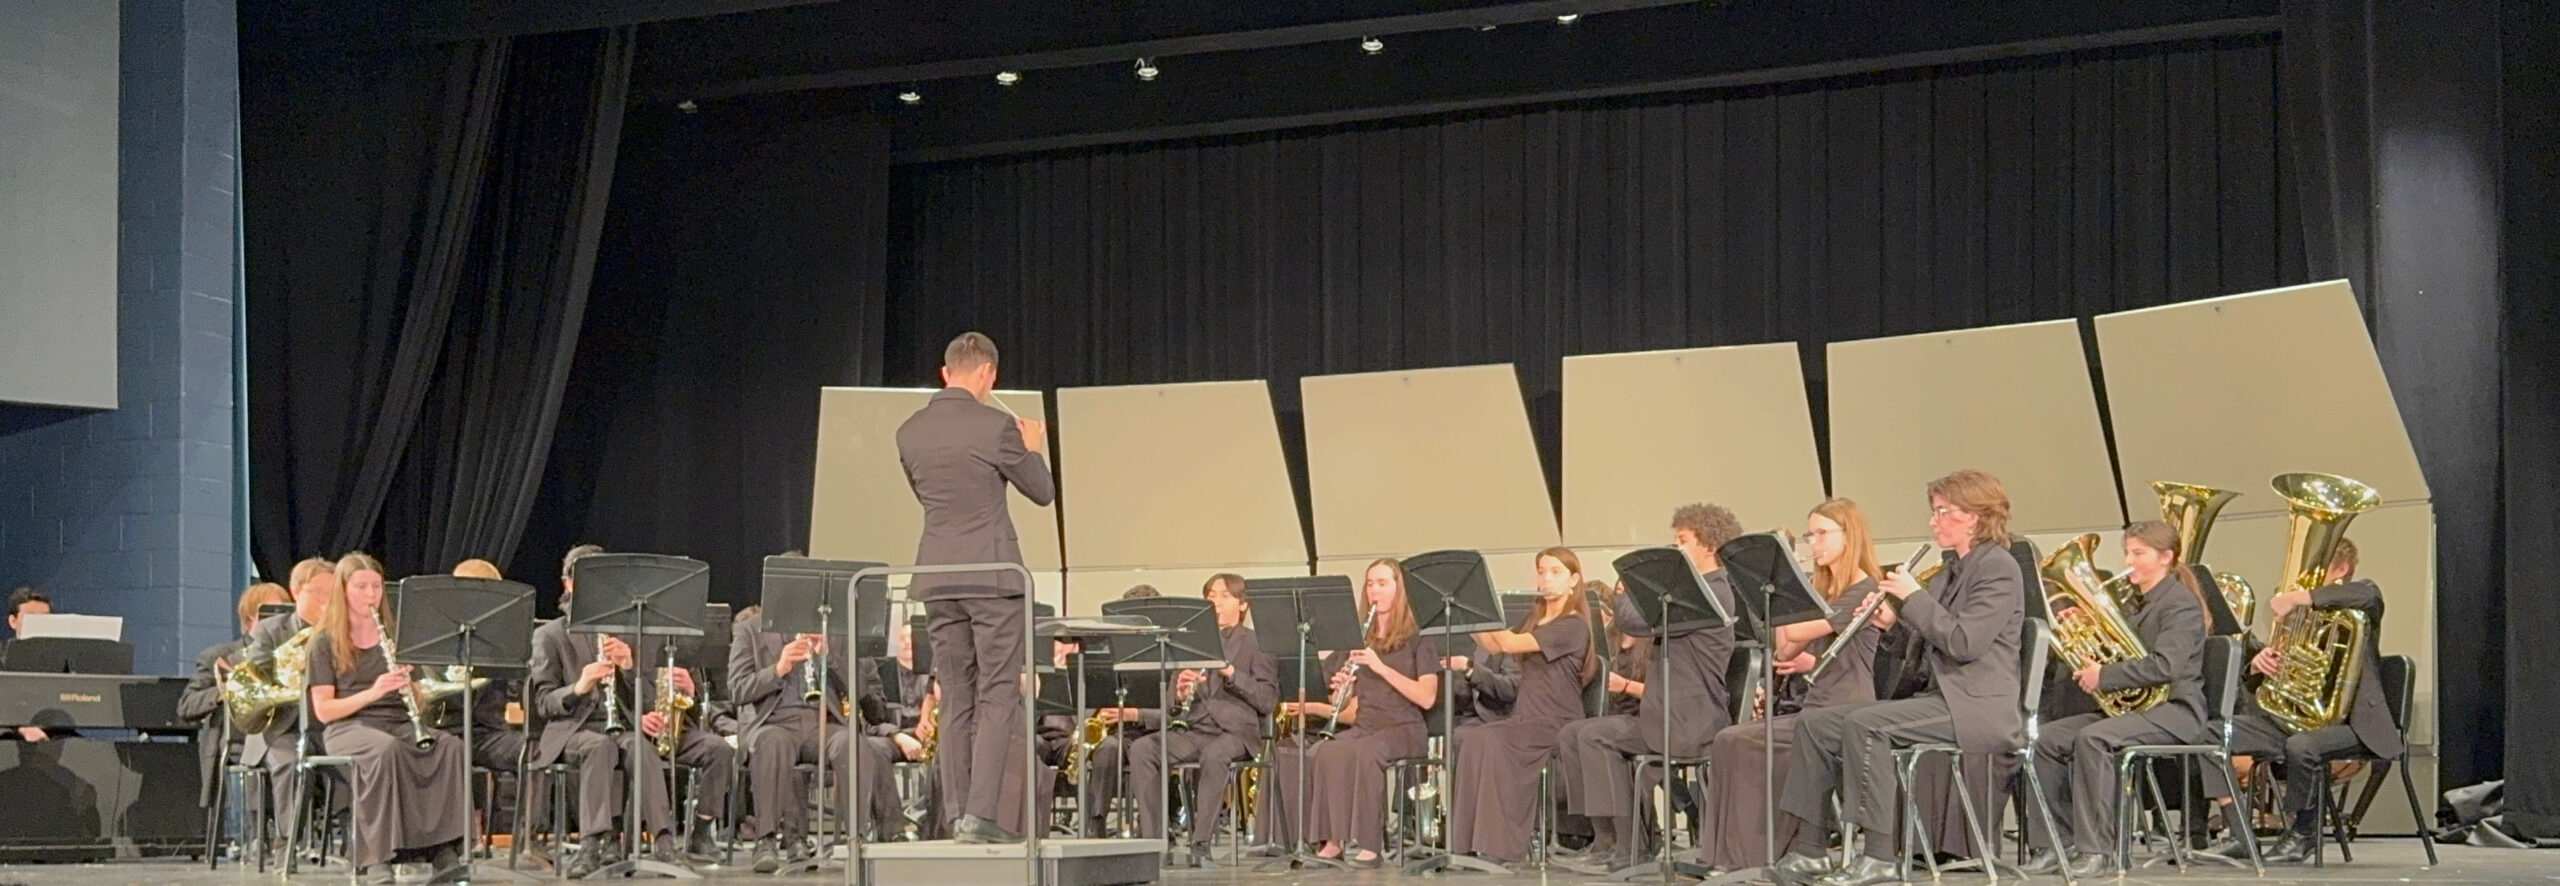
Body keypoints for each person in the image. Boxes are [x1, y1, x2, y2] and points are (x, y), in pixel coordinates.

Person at [1773, 469, 2025, 886]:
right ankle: (1811, 847)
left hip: (1977, 707)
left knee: (1866, 726)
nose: (1933, 521)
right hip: (1941, 699)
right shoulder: (1950, 571)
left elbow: (1963, 642)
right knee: (1816, 724)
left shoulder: (1998, 568)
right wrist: (1890, 623)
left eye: (1943, 511)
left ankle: (1878, 855)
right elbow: (1924, 645)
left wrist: (1913, 598)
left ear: (1974, 517)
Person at [896, 331, 1056, 843]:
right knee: (997, 692)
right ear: (989, 374)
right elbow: (1042, 492)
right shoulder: (998, 427)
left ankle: (957, 812)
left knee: (955, 694)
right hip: (991, 576)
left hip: (937, 578)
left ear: (946, 373)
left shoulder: (909, 431)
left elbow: (927, 497)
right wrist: (1032, 448)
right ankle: (981, 815)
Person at [1556, 503, 1744, 870]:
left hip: (1691, 721)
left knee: (1596, 736)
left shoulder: (1709, 593)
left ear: (1709, 546)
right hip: (1666, 715)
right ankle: (1606, 838)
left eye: (1683, 541)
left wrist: (1626, 590)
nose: (1675, 549)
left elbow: (1636, 623)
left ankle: (1631, 847)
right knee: (1574, 733)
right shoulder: (1696, 591)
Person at [2021, 520, 2212, 875]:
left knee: (2093, 738)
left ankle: (2098, 850)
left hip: (2176, 711)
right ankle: (2053, 843)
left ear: (2166, 558)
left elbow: (2166, 666)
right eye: (2127, 552)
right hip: (2141, 710)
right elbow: (2128, 655)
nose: (2129, 560)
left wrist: (2104, 676)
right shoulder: (2137, 603)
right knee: (2046, 740)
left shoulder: (2179, 604)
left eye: (2138, 553)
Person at [527, 544, 728, 876]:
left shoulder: (630, 633)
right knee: (599, 746)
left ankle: (664, 842)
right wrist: (579, 686)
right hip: (574, 729)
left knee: (639, 748)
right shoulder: (550, 636)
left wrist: (630, 667)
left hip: (622, 728)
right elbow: (544, 703)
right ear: (570, 585)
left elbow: (646, 701)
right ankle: (592, 844)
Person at [2211, 538, 2395, 863]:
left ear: (2341, 569)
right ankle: (2236, 832)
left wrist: (2300, 597)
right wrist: (2259, 665)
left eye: (2315, 570)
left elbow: (2368, 594)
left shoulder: (2362, 600)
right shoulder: (2299, 620)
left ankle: (2302, 834)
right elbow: (2265, 687)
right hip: (2294, 721)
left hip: (2353, 726)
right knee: (2210, 733)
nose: (2305, 578)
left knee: (2303, 746)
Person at [304, 553, 469, 882]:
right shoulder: (323, 643)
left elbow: (421, 701)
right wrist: (374, 691)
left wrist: (412, 687)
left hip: (398, 722)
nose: (371, 595)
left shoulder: (395, 637)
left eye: (376, 586)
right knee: (385, 751)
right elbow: (323, 710)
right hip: (348, 726)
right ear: (344, 591)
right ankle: (378, 858)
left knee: (450, 746)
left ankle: (443, 850)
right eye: (361, 586)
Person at [1447, 547, 1597, 867]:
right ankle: (1466, 845)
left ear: (1574, 580)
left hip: (1555, 719)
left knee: (1492, 739)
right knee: (1471, 737)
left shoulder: (1573, 625)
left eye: (1555, 572)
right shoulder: (1536, 618)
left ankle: (1499, 847)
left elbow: (1509, 644)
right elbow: (1491, 644)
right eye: (1542, 571)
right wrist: (1465, 612)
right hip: (1526, 716)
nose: (1546, 578)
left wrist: (1480, 603)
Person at [728, 612, 904, 873]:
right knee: (772, 743)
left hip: (823, 722)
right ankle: (765, 841)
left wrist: (830, 657)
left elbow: (863, 694)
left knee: (852, 743)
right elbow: (737, 689)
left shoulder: (833, 631)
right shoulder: (750, 629)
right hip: (773, 722)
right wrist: (778, 669)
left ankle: (856, 839)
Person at [1123, 574, 1278, 867]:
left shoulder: (1258, 643)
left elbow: (1267, 700)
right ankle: (1154, 840)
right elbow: (1169, 706)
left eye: (1224, 596)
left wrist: (1232, 675)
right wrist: (1180, 693)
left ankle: (1201, 841)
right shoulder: (1188, 641)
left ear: (1242, 604)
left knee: (1215, 754)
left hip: (1234, 733)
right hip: (1194, 729)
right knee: (1143, 748)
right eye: (1210, 597)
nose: (1215, 603)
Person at [1304, 559, 1443, 867]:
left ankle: (1371, 845)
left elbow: (1427, 697)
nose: (1374, 591)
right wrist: (1343, 689)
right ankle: (1333, 841)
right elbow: (1350, 697)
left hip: (1404, 728)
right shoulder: (1361, 638)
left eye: (1383, 583)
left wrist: (1380, 667)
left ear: (1399, 589)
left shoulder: (1420, 637)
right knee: (1326, 752)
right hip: (1367, 723)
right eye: (1370, 584)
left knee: (1366, 754)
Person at [181, 583, 292, 807]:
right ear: (251, 618)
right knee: (263, 755)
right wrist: (228, 689)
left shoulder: (292, 652)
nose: (279, 621)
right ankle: (255, 835)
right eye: (271, 613)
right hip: (241, 739)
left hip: (283, 732)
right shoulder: (219, 655)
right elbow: (186, 706)